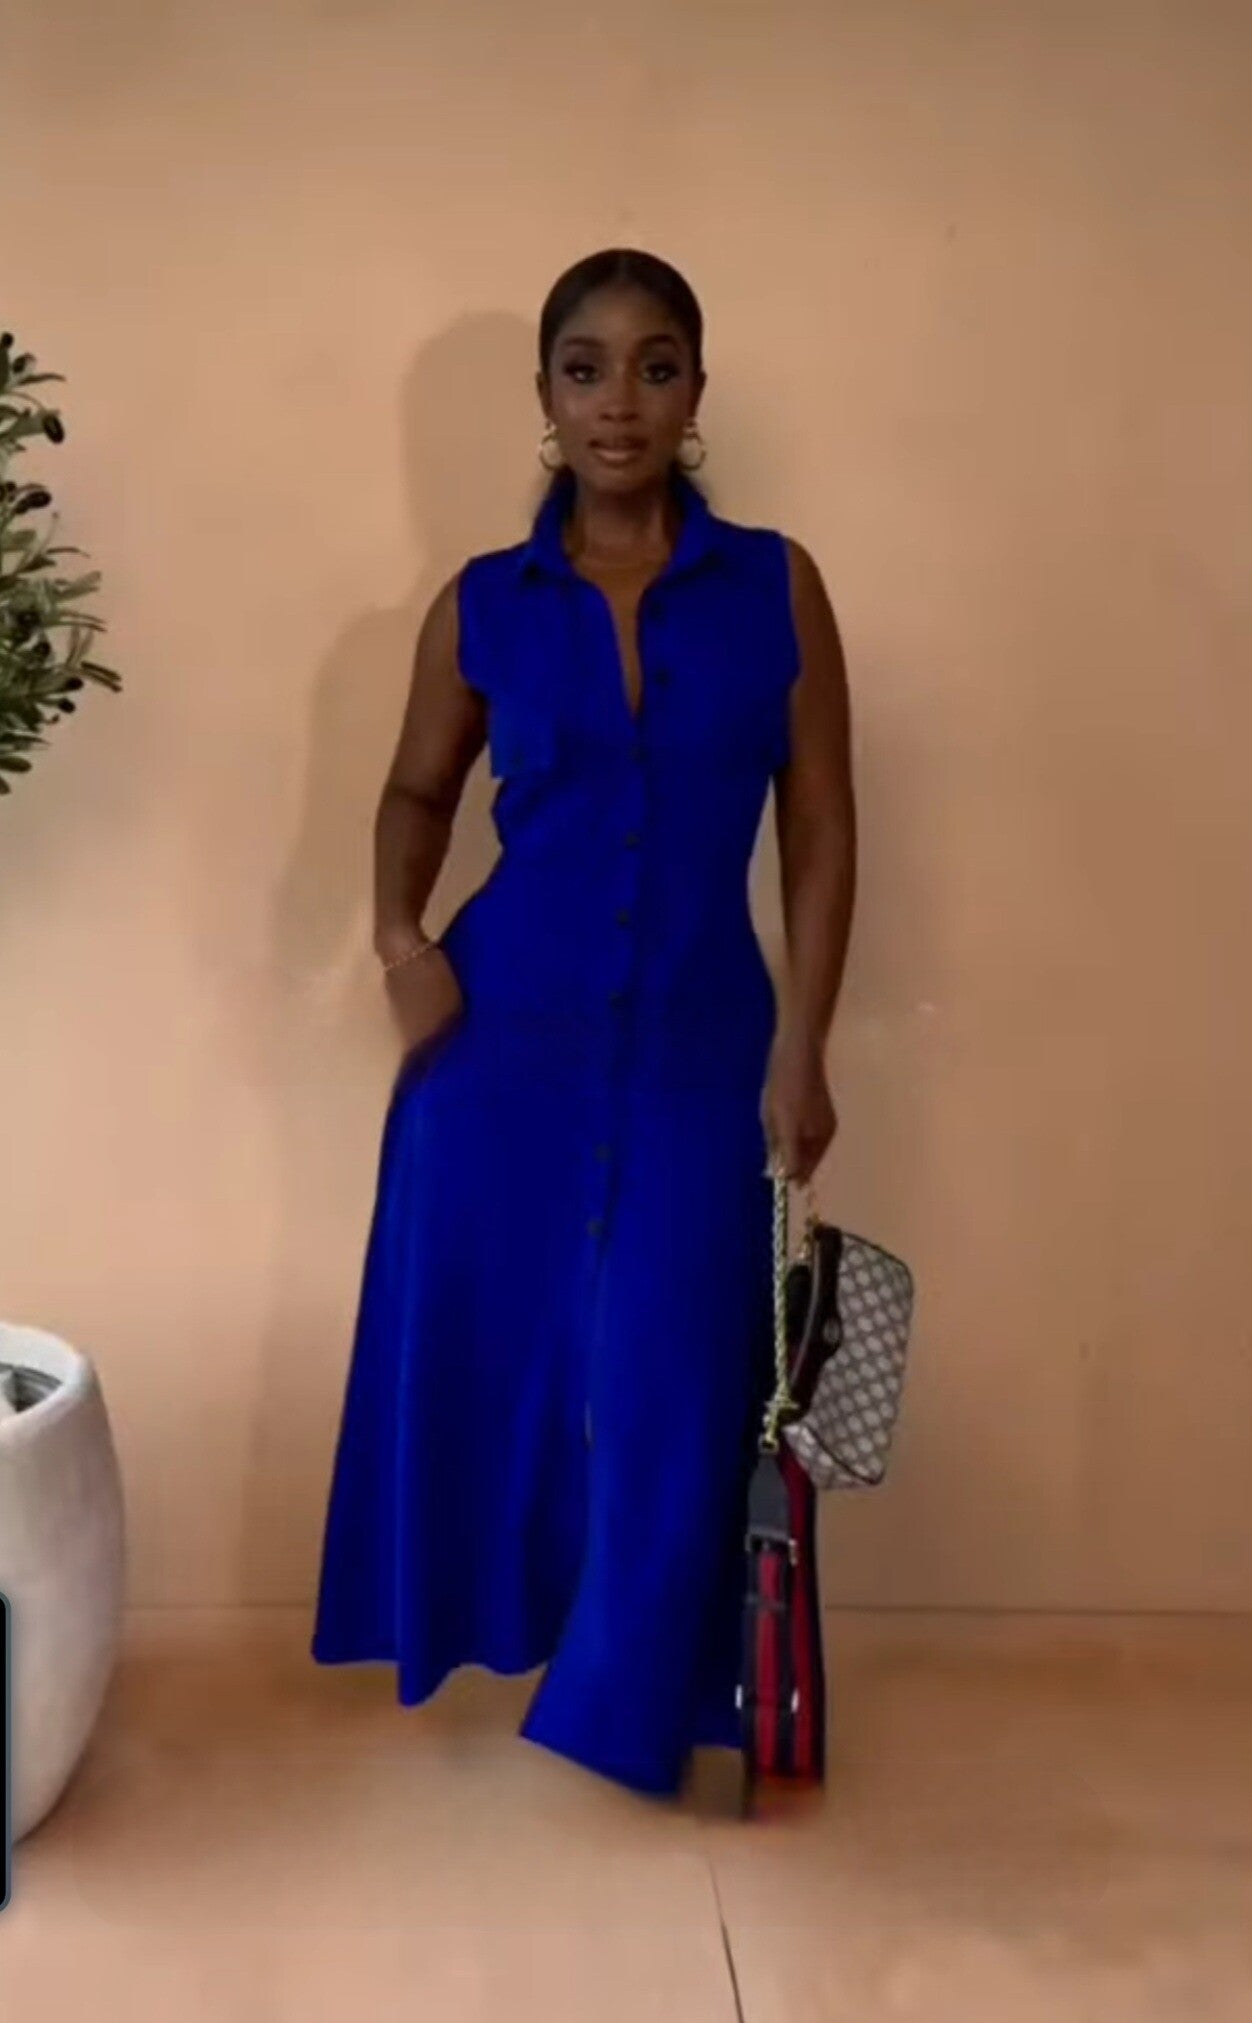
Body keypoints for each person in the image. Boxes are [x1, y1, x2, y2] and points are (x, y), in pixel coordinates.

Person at [310, 249, 856, 1799]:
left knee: (681, 1374)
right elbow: (414, 793)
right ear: (546, 397)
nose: (621, 401)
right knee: (497, 1364)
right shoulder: (484, 605)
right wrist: (401, 939)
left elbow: (821, 827)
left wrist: (804, 1042)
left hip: (701, 1044)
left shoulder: (775, 588)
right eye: (587, 367)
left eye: (656, 366)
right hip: (501, 1053)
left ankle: (632, 1707)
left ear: (697, 392)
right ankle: (512, 1638)